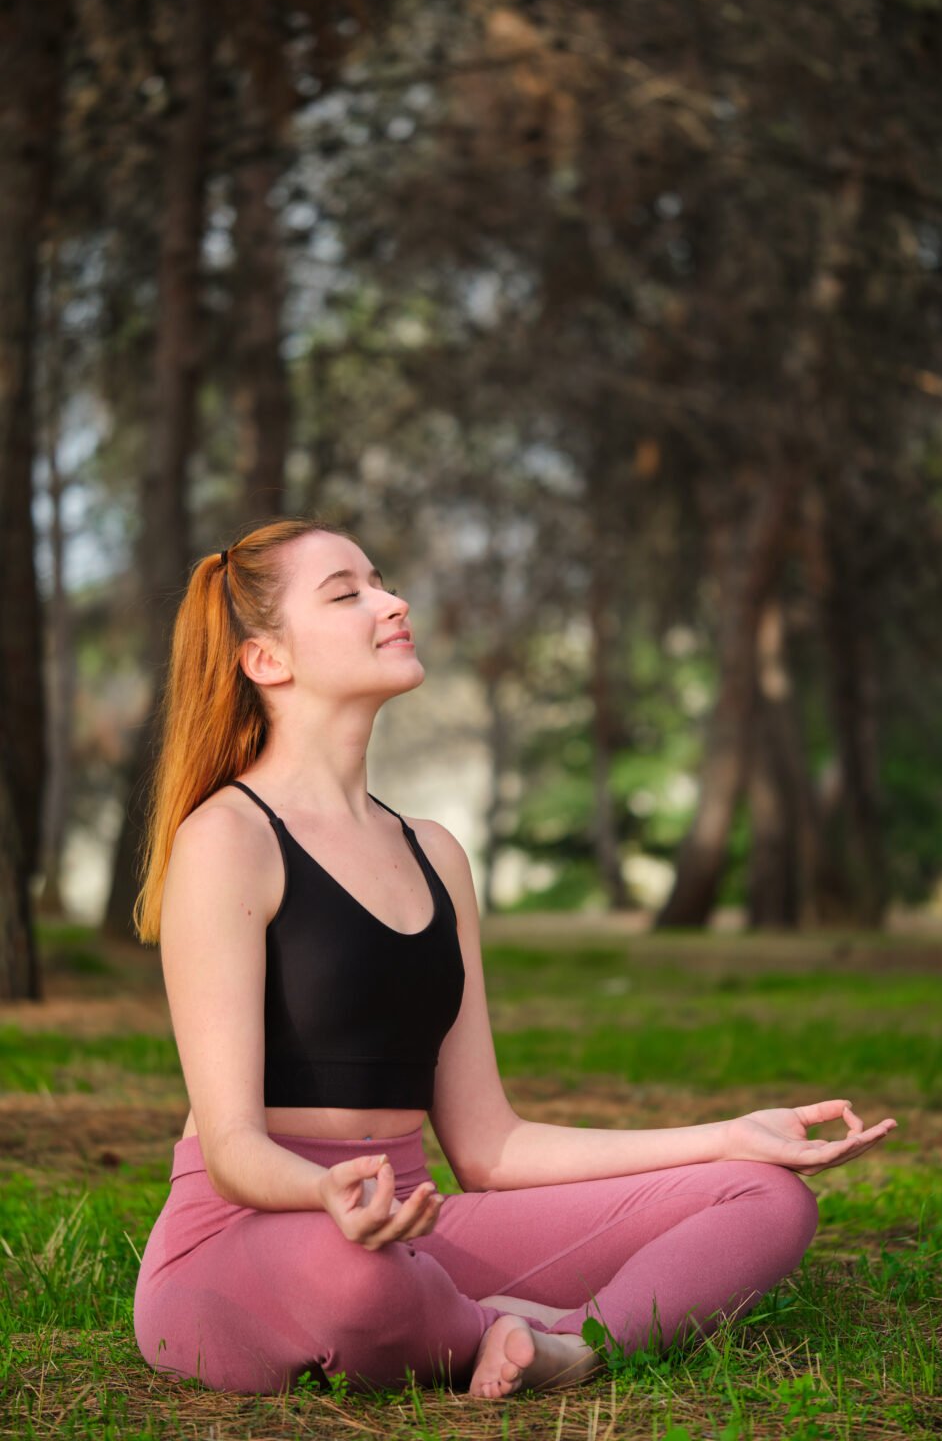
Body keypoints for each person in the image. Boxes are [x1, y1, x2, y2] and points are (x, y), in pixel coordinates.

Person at [131, 517, 897, 1400]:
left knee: (765, 1199)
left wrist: (730, 1136)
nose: (393, 602)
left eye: (381, 580)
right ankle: (491, 1326)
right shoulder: (228, 839)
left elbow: (489, 1146)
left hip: (414, 1220)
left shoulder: (436, 854)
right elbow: (231, 1148)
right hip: (253, 1229)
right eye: (349, 593)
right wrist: (328, 1194)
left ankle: (567, 1345)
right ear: (267, 661)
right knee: (357, 1276)